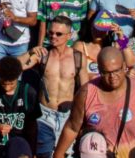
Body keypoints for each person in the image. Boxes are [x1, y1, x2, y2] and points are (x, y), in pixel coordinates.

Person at [53, 46, 135, 158]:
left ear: (124, 66)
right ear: (99, 70)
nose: (112, 77)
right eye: (106, 73)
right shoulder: (86, 93)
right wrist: (58, 154)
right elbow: (72, 127)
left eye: (116, 71)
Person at [19, 15, 86, 158]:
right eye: (51, 33)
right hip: (44, 114)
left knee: (66, 155)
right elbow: (12, 68)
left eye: (58, 34)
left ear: (69, 35)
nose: (53, 36)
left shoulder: (78, 57)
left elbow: (85, 89)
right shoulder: (42, 54)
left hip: (68, 116)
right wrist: (29, 52)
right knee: (44, 154)